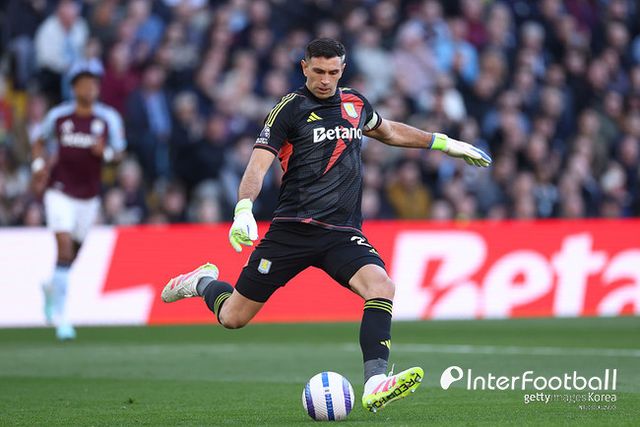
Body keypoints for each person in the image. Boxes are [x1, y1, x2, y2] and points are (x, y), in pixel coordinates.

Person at [161, 38, 491, 412]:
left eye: (333, 72)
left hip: (342, 232)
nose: (324, 80)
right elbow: (258, 164)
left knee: (381, 286)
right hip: (292, 230)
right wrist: (243, 209)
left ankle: (375, 382)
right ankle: (202, 282)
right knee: (232, 318)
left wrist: (443, 143)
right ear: (304, 67)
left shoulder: (355, 104)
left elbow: (389, 131)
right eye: (318, 71)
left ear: (342, 70)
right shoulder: (289, 109)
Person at [31, 59, 126, 340]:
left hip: (89, 196)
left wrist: (104, 154)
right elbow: (39, 141)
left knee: (71, 255)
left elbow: (119, 153)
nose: (90, 88)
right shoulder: (59, 116)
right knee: (63, 249)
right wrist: (38, 167)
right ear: (73, 88)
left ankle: (51, 286)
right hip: (59, 190)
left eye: (94, 83)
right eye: (84, 83)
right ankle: (62, 318)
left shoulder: (108, 119)